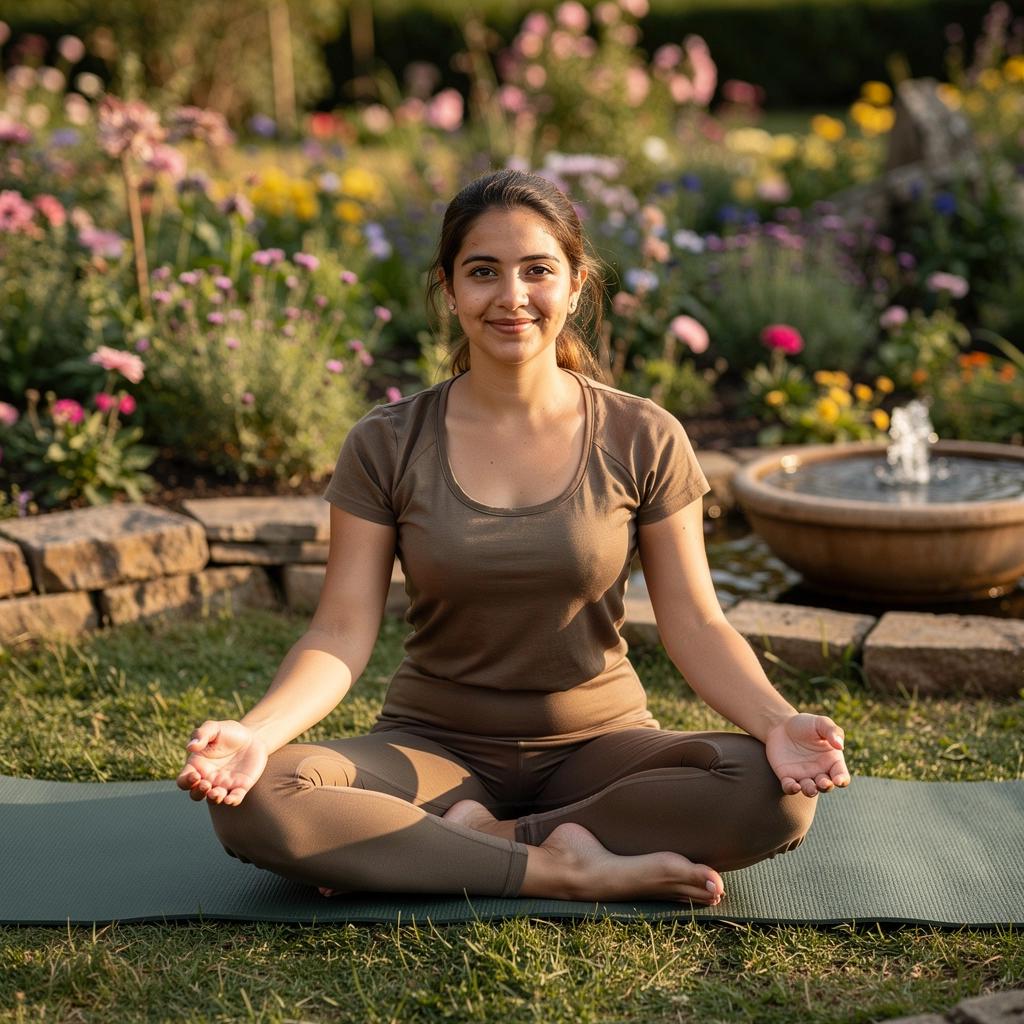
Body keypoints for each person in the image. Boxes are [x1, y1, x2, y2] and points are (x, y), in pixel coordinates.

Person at [176, 169, 850, 906]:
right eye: (483, 273)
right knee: (263, 796)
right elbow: (338, 633)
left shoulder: (643, 434)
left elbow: (695, 622)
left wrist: (778, 722)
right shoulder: (387, 442)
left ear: (577, 283)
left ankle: (458, 845)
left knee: (769, 791)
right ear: (449, 287)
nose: (512, 297)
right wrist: (257, 731)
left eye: (538, 271)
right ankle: (564, 866)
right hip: (431, 748)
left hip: (601, 748)